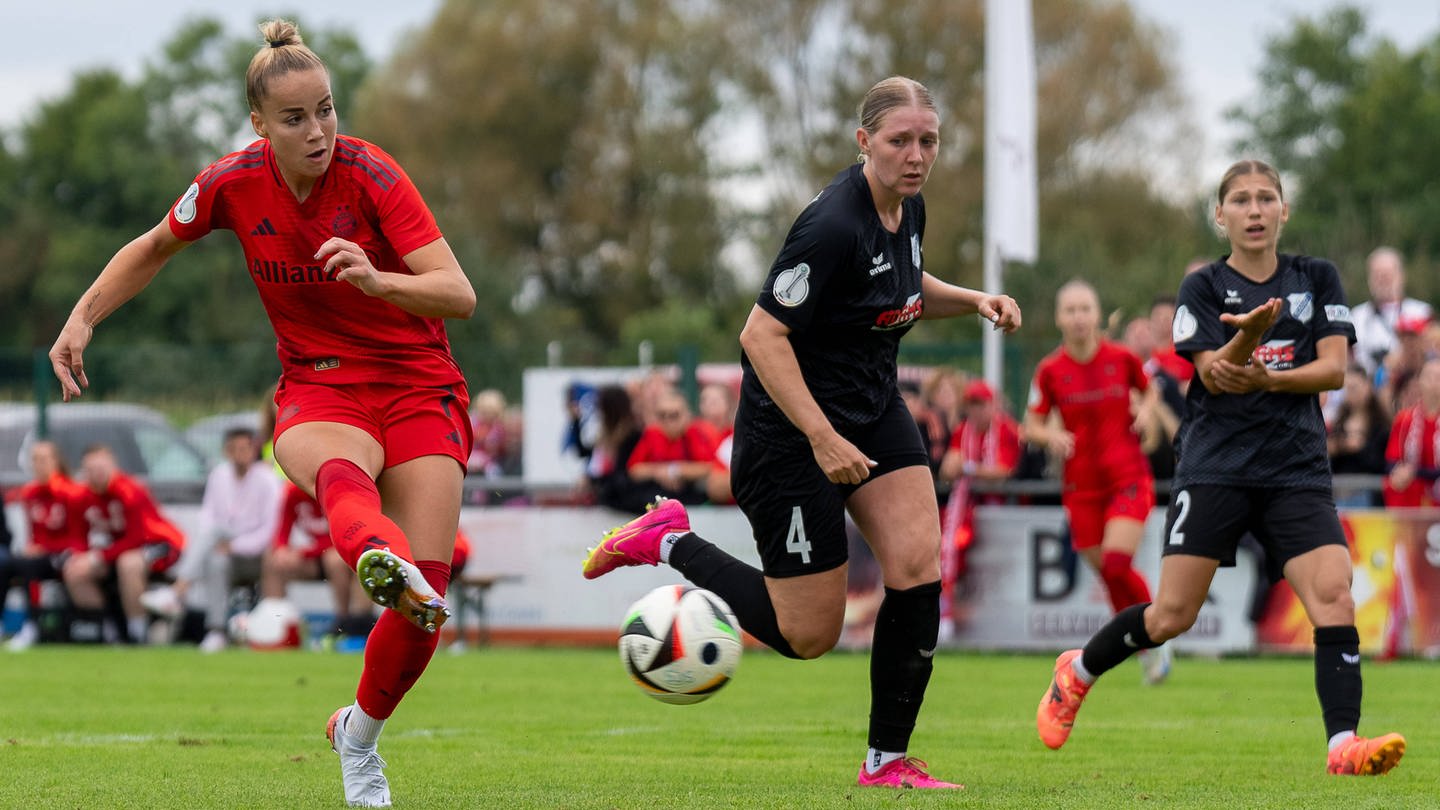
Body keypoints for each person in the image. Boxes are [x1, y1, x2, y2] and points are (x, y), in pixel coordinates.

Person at [46, 20, 476, 807]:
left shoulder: (374, 174)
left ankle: (359, 734)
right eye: (294, 118)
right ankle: (386, 564)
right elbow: (150, 246)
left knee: (426, 614)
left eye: (327, 110)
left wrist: (380, 281)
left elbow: (459, 293)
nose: (317, 131)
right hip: (320, 383)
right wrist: (82, 317)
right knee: (342, 476)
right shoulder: (230, 182)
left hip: (419, 381)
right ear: (258, 126)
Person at [583, 76, 1021, 790]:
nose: (916, 155)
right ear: (864, 142)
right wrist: (820, 438)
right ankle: (667, 537)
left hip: (872, 411)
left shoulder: (908, 209)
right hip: (790, 437)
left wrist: (974, 300)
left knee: (918, 566)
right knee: (809, 635)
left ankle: (886, 763)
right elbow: (761, 336)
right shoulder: (832, 226)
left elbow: (902, 286)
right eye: (899, 140)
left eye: (928, 141)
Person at [1037, 159, 1405, 777]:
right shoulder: (1203, 287)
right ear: (1221, 215)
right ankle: (1077, 672)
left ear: (1284, 211)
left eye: (1266, 198)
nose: (1255, 209)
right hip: (1216, 467)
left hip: (1295, 470)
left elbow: (1336, 369)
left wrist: (1271, 370)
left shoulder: (1317, 277)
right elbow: (1214, 373)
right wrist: (1249, 336)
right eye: (1241, 199)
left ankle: (1342, 744)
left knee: (1335, 595)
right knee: (1171, 615)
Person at [1025, 279, 1172, 685]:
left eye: (1085, 309)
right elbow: (1031, 424)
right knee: (1109, 574)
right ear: (1059, 318)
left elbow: (1151, 391)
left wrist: (1144, 410)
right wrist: (1050, 435)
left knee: (1116, 561)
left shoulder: (1121, 358)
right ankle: (1144, 645)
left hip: (1127, 476)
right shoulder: (1051, 370)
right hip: (1081, 487)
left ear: (1096, 313)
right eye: (1070, 310)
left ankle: (1158, 631)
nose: (1078, 318)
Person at [141, 426, 282, 652]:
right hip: (222, 549)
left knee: (215, 539)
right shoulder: (219, 475)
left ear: (253, 450)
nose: (240, 454)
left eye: (245, 448)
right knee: (216, 557)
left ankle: (177, 592)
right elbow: (207, 516)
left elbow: (269, 531)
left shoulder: (267, 480)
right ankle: (216, 630)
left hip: (256, 556)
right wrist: (222, 546)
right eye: (235, 449)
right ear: (226, 451)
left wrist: (234, 546)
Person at [65, 445, 186, 644]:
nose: (97, 474)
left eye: (101, 468)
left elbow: (136, 538)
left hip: (159, 544)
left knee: (128, 564)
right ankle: (106, 629)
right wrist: (81, 557)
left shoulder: (130, 490)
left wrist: (96, 557)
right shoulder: (80, 496)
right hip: (119, 549)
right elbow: (77, 536)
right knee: (75, 570)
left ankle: (137, 633)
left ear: (113, 466)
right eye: (91, 469)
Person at [935, 379, 1020, 636]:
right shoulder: (963, 430)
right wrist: (959, 467)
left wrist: (969, 468)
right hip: (968, 506)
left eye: (980, 404)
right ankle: (945, 612)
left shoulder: (1006, 429)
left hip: (1006, 509)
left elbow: (1004, 471)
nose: (975, 411)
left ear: (992, 405)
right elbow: (948, 469)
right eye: (971, 405)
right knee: (948, 547)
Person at [1, 441, 90, 651]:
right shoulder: (31, 494)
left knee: (28, 566)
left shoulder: (71, 492)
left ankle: (32, 625)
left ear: (56, 461)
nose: (39, 464)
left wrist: (45, 547)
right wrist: (36, 547)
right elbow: (38, 535)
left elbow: (77, 537)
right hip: (45, 554)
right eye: (35, 460)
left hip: (69, 554)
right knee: (6, 564)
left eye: (44, 459)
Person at [260, 480, 374, 638]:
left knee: (333, 559)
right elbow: (282, 529)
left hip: (341, 556)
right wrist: (282, 550)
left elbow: (339, 537)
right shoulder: (294, 491)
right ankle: (275, 624)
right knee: (272, 561)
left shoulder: (334, 491)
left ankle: (344, 620)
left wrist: (302, 553)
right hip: (314, 559)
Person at [624, 388, 720, 505]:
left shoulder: (695, 432)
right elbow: (634, 469)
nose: (667, 420)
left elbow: (709, 467)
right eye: (662, 415)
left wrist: (675, 471)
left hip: (690, 495)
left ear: (687, 415)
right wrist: (659, 472)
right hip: (658, 495)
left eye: (674, 415)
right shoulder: (652, 433)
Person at [1350, 247, 1432, 378]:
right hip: (1369, 388)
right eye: (1377, 275)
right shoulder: (1357, 316)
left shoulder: (1422, 312)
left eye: (1388, 274)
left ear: (1401, 275)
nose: (1383, 280)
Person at [1327, 364, 1390, 508]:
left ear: (1367, 386)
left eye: (1354, 387)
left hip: (1367, 496)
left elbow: (1381, 464)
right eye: (1347, 389)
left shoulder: (1381, 426)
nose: (1351, 393)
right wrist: (1338, 447)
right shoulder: (1339, 423)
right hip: (1339, 494)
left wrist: (1361, 448)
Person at [1381, 358, 1440, 508]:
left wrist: (1414, 472)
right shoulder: (1404, 419)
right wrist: (1399, 472)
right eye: (1429, 376)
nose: (1433, 382)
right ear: (1419, 381)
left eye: (1437, 377)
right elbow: (1391, 461)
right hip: (1412, 504)